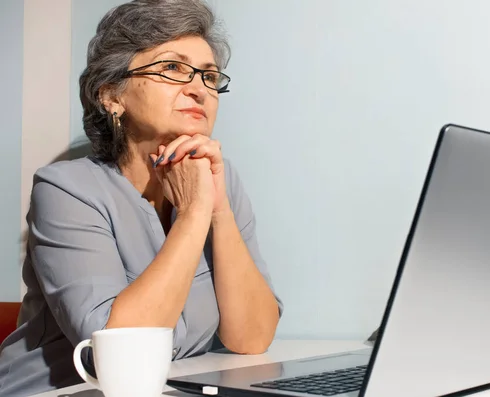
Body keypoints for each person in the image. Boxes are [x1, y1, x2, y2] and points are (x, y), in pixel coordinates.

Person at [0, 1, 283, 395]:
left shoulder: (221, 179)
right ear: (112, 96)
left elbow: (252, 338)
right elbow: (120, 356)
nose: (198, 87)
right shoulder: (66, 189)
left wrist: (218, 210)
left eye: (209, 75)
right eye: (172, 67)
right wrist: (193, 214)